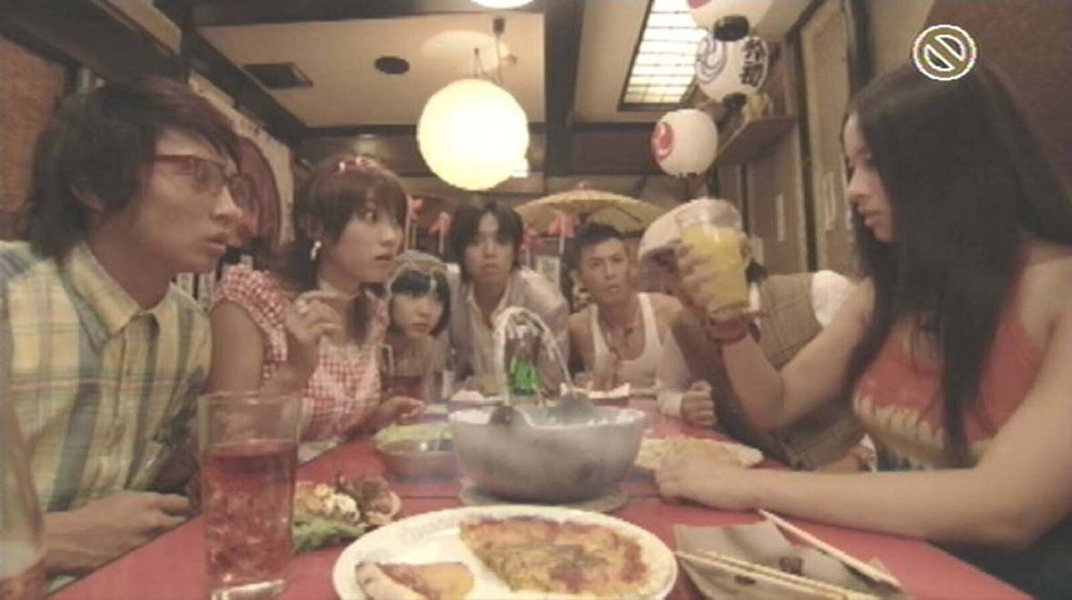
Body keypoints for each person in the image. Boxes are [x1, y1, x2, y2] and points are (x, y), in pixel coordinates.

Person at [658, 62, 1072, 598]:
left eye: (874, 164)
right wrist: (730, 326)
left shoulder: (1057, 288)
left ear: (953, 160)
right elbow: (776, 405)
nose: (853, 190)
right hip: (897, 573)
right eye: (851, 166)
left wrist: (751, 487)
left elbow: (1007, 508)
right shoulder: (887, 294)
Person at [0, 76, 244, 578]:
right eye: (197, 175)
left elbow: (163, 474)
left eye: (229, 186)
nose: (231, 211)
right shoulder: (11, 296)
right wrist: (43, 540)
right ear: (91, 183)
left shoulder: (188, 327)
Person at [207, 156, 423, 458]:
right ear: (315, 227)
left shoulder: (373, 312)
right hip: (269, 481)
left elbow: (334, 428)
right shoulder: (253, 296)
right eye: (371, 217)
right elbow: (223, 439)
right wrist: (294, 371)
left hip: (339, 483)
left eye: (396, 221)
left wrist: (375, 419)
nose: (391, 237)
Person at [642, 199, 868, 471]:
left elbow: (883, 387)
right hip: (762, 475)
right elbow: (666, 389)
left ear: (743, 254)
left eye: (698, 262)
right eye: (671, 270)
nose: (686, 281)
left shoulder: (822, 292)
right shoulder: (684, 329)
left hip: (857, 476)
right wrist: (683, 404)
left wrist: (862, 455)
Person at [446, 202, 569, 394]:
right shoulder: (448, 294)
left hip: (527, 409)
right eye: (476, 242)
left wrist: (485, 387)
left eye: (501, 241)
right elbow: (437, 380)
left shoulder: (546, 304)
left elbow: (549, 384)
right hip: (460, 408)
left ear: (515, 249)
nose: (489, 252)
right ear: (460, 250)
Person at [567, 222, 681, 391]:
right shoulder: (578, 328)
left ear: (632, 266)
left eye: (617, 260)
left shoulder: (669, 313)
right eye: (596, 264)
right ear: (578, 278)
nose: (609, 273)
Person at [381, 250, 450, 403]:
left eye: (437, 299)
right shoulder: (365, 346)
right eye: (413, 295)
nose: (426, 310)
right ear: (387, 295)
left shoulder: (428, 348)